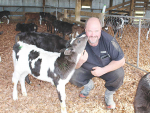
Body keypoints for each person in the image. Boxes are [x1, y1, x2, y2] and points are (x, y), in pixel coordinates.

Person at [70, 17, 125, 110]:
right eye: (90, 31)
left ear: (101, 30)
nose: (93, 35)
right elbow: (70, 65)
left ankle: (109, 94)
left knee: (119, 74)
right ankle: (88, 85)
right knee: (70, 74)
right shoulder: (78, 42)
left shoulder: (109, 41)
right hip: (86, 68)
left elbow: (121, 60)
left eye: (96, 31)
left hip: (105, 68)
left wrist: (103, 70)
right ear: (85, 30)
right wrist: (80, 61)